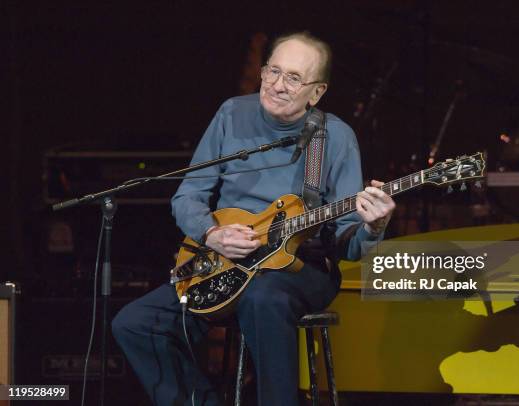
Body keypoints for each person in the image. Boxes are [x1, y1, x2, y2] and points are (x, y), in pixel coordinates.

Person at [112, 31, 395, 406]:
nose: (277, 85)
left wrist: (373, 226)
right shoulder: (232, 113)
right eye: (272, 71)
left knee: (263, 299)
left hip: (300, 267)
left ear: (317, 92)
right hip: (223, 261)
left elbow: (349, 245)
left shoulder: (336, 138)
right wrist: (210, 233)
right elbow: (188, 195)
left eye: (293, 78)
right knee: (135, 323)